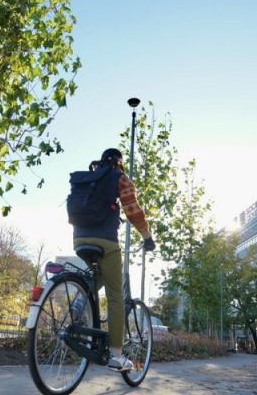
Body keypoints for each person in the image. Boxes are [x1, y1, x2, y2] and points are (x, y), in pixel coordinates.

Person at [72, 148, 156, 371]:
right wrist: (147, 236)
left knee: (98, 276)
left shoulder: (89, 177)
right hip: (106, 241)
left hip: (79, 240)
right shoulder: (119, 178)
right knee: (115, 295)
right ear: (119, 163)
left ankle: (80, 302)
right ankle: (117, 355)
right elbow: (133, 211)